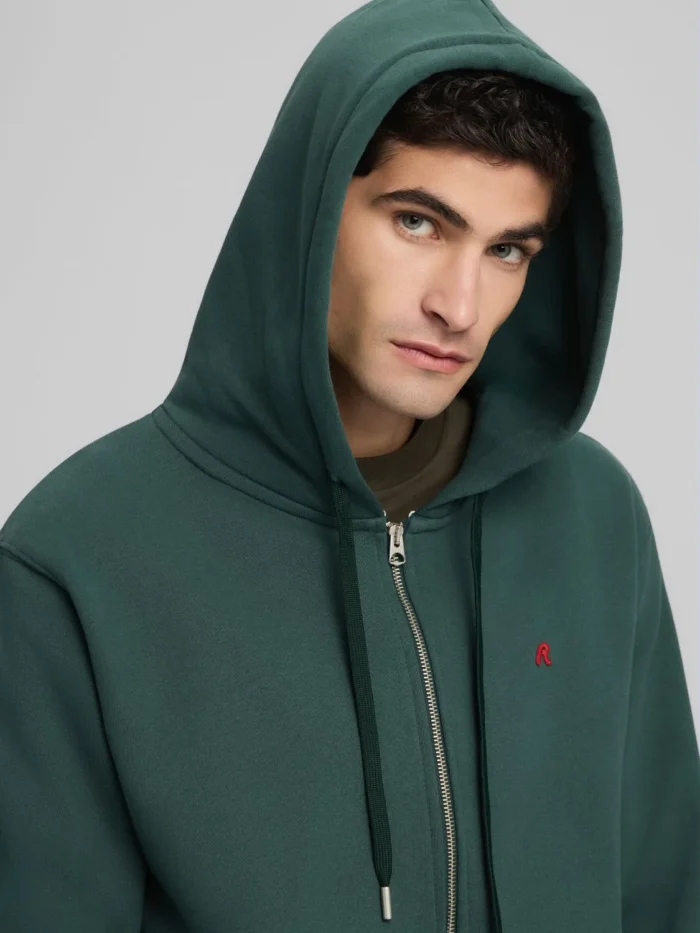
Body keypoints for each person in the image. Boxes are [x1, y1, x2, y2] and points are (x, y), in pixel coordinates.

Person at [1, 0, 698, 930]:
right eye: (418, 222)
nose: (460, 306)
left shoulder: (593, 518)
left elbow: (667, 894)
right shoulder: (79, 561)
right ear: (315, 208)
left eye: (505, 250)